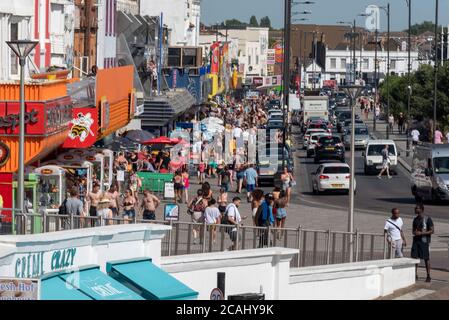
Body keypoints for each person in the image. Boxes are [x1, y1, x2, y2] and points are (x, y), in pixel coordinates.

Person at [411, 204, 434, 282]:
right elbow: (413, 231)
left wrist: (421, 233)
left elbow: (432, 230)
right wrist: (415, 232)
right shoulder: (415, 219)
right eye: (415, 208)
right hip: (416, 241)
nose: (415, 209)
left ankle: (428, 276)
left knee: (426, 258)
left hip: (424, 241)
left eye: (416, 208)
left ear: (421, 209)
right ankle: (415, 274)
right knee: (415, 257)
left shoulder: (427, 219)